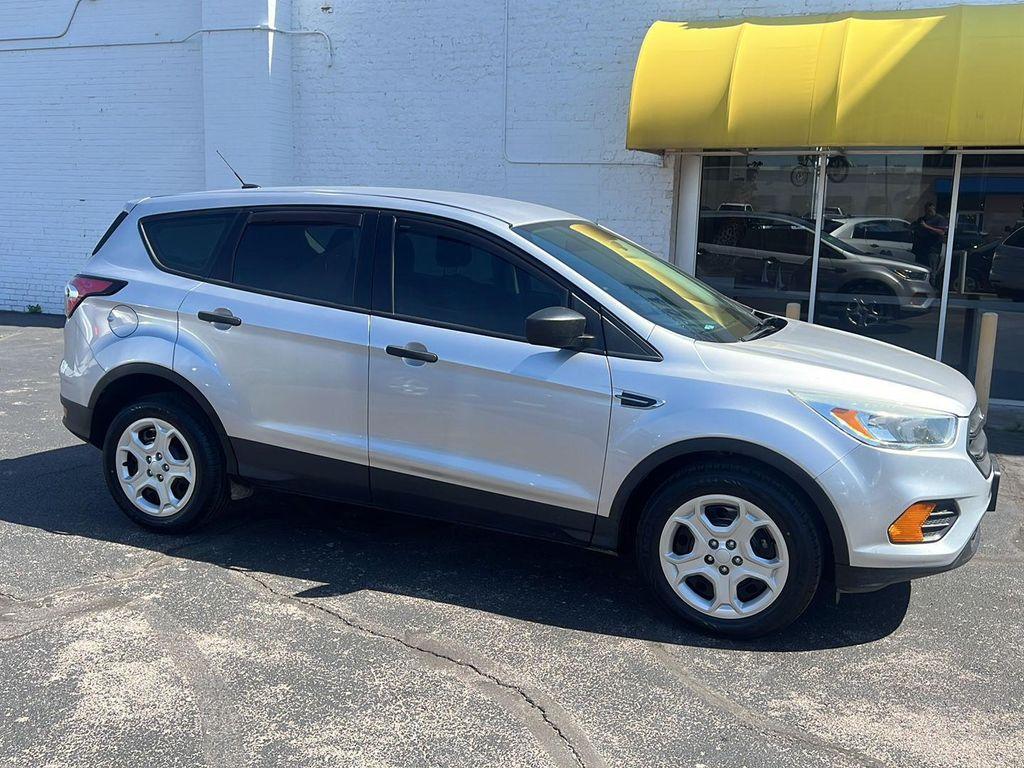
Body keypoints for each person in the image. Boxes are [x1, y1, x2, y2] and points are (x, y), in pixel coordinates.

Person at [911, 201, 948, 277]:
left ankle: (931, 285)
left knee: (931, 270)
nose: (928, 213)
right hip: (920, 249)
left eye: (930, 211)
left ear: (934, 210)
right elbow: (913, 227)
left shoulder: (939, 219)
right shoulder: (922, 219)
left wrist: (927, 227)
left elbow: (942, 232)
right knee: (919, 269)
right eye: (927, 211)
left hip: (932, 249)